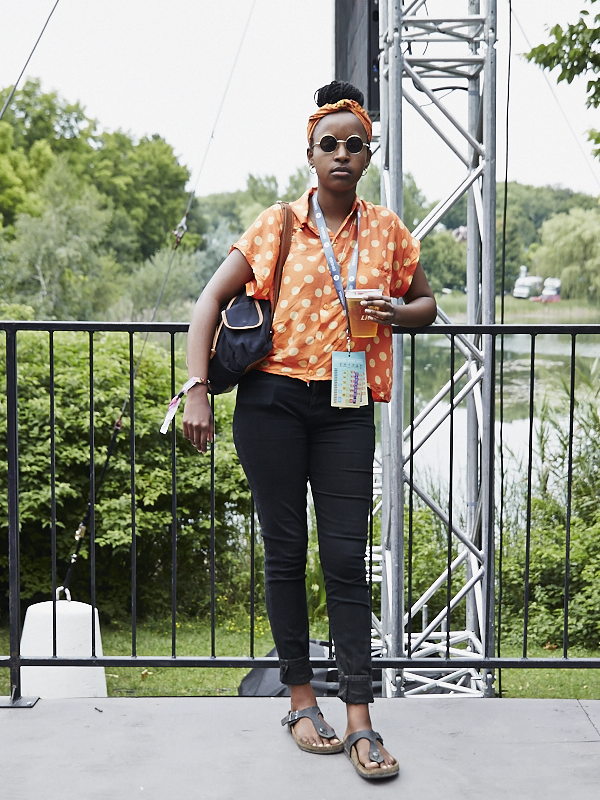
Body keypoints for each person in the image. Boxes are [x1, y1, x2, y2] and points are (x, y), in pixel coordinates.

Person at [181, 81, 436, 780]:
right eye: (332, 144)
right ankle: (300, 701)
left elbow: (429, 304)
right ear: (310, 154)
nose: (344, 155)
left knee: (347, 560)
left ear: (369, 155)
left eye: (357, 145)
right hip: (271, 404)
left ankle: (360, 717)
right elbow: (209, 299)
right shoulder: (279, 226)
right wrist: (198, 389)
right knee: (286, 553)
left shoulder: (387, 231)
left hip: (347, 406)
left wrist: (394, 311)